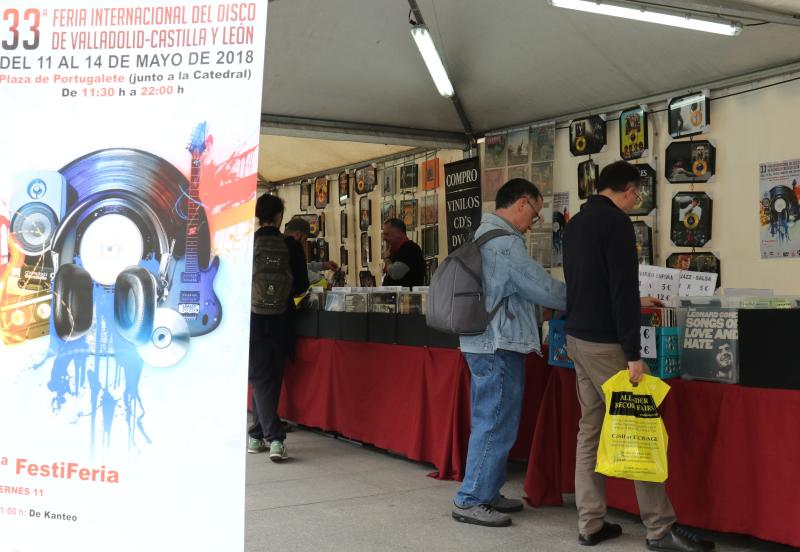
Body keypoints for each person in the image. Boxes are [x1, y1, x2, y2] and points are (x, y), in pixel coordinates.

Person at [563, 161, 714, 551]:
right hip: (606, 344)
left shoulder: (577, 222)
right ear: (628, 190)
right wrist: (633, 354)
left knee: (590, 432)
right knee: (640, 431)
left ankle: (590, 522)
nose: (637, 201)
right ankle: (660, 528)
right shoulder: (616, 224)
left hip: (578, 337)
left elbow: (593, 283)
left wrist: (635, 300)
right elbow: (620, 289)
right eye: (637, 195)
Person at [452, 179, 567, 528]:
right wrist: (586, 297)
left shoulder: (483, 236)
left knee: (493, 419)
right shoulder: (505, 244)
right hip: (497, 343)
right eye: (534, 212)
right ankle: (470, 499)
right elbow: (541, 287)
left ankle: (486, 492)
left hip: (482, 341)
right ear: (520, 203)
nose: (534, 221)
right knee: (495, 422)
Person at [248, 194, 309, 461]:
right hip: (282, 321)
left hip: (253, 321)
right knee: (270, 378)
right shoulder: (291, 246)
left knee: (262, 378)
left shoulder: (246, 245)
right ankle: (274, 439)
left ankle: (257, 435)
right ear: (279, 217)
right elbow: (301, 286)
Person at [284, 217, 339, 283]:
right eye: (305, 239)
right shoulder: (286, 250)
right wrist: (326, 281)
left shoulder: (283, 246)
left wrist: (322, 265)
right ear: (297, 235)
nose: (305, 244)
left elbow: (301, 267)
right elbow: (300, 271)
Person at [381, 218, 425, 287]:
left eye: (386, 234)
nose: (384, 238)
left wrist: (386, 259)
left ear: (398, 233)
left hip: (407, 297)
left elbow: (395, 273)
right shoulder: (394, 251)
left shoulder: (410, 249)